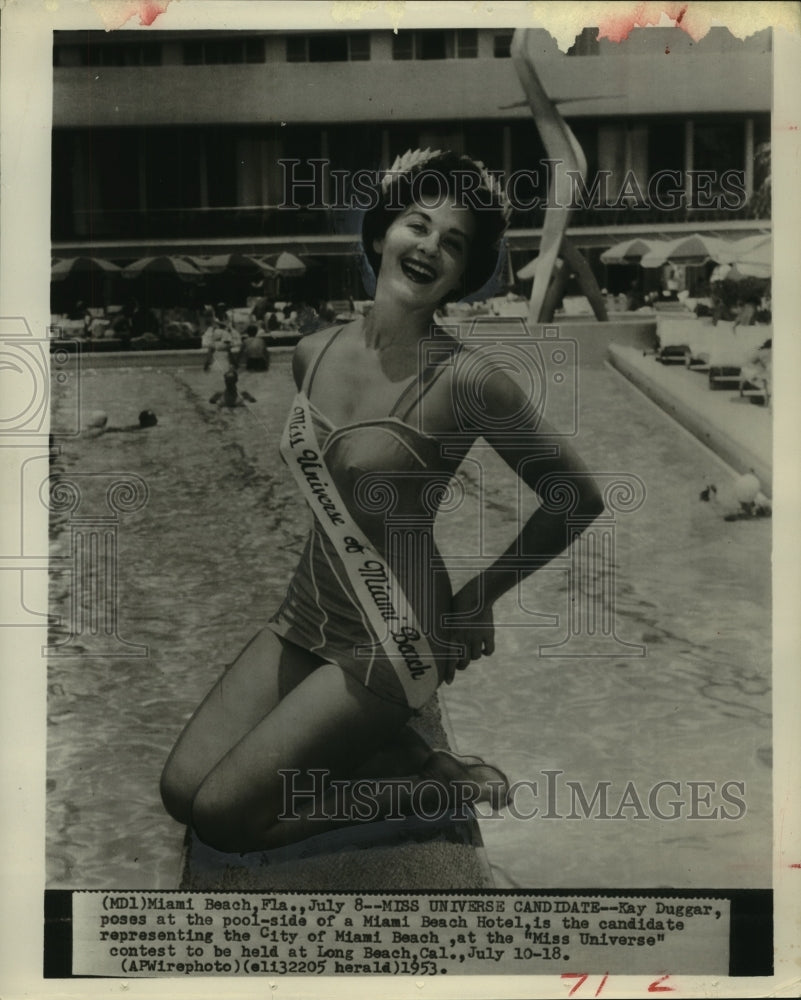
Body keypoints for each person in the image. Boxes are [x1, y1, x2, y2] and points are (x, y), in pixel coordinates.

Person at [161, 150, 604, 853]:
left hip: (393, 637)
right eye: (417, 224)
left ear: (463, 273)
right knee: (180, 790)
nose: (429, 247)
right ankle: (399, 750)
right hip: (308, 609)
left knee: (223, 817)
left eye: (453, 243)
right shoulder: (311, 351)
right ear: (379, 235)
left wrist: (481, 594)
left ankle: (433, 787)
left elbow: (575, 499)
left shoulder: (468, 380)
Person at [202, 302, 241, 373]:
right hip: (218, 331)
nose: (222, 310)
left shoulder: (228, 316)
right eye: (220, 308)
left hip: (224, 332)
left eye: (223, 308)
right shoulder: (215, 317)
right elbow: (215, 324)